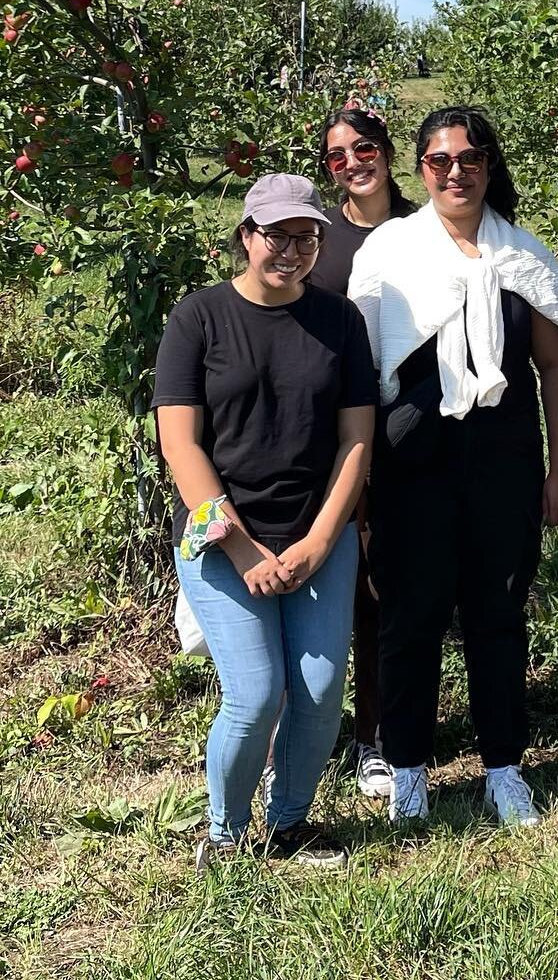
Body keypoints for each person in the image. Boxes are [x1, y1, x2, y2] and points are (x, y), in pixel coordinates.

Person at [348, 106, 558, 826]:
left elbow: (554, 366)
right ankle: (409, 767)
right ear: (420, 170)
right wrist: (356, 483)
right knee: (409, 613)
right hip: (411, 455)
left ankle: (504, 768)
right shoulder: (389, 251)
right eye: (440, 161)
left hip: (503, 456)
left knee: (498, 612)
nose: (456, 172)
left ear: (489, 165)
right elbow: (360, 368)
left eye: (470, 158)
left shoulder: (525, 257)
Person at [155, 174, 377, 873]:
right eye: (277, 234)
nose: (292, 249)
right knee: (254, 694)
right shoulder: (200, 318)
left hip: (317, 533)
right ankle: (223, 835)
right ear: (246, 236)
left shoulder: (340, 321)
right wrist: (245, 548)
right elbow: (181, 445)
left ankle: (289, 824)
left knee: (316, 690)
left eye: (306, 236)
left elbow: (356, 443)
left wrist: (317, 540)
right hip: (220, 537)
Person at [306, 106, 416, 802]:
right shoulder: (320, 242)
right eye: (337, 155)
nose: (352, 162)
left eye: (364, 147)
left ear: (387, 151)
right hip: (334, 438)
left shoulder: (423, 226)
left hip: (411, 435)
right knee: (333, 587)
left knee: (387, 593)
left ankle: (375, 736)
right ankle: (308, 727)